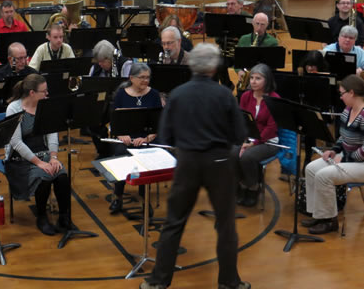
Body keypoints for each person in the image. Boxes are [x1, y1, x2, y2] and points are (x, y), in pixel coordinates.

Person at [140, 43, 249, 289]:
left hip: (187, 161)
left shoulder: (178, 94)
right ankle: (230, 282)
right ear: (214, 67)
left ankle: (158, 282)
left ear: (191, 65)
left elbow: (165, 135)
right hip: (220, 163)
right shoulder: (223, 95)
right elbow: (239, 133)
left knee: (174, 222)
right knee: (225, 225)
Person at [5, 74, 72, 235]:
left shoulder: (45, 105)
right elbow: (16, 142)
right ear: (32, 93)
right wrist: (39, 163)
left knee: (61, 176)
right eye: (44, 91)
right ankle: (41, 217)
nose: (47, 94)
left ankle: (64, 217)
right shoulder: (14, 108)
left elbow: (52, 133)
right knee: (44, 177)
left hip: (43, 152)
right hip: (20, 158)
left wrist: (54, 157)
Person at [303, 74, 364, 235]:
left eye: (342, 93)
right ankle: (318, 214)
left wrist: (345, 159)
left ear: (351, 93)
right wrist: (334, 151)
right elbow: (342, 137)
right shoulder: (347, 110)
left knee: (324, 176)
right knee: (310, 168)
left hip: (360, 164)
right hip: (347, 158)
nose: (341, 97)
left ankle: (330, 220)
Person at [108, 63, 162, 214]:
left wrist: (146, 138)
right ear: (132, 78)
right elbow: (114, 122)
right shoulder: (121, 95)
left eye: (148, 78)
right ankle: (117, 197)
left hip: (146, 138)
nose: (146, 81)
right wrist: (121, 135)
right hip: (125, 138)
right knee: (120, 156)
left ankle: (145, 200)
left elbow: (158, 125)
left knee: (145, 157)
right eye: (142, 78)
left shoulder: (154, 94)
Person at [233, 64, 280, 207]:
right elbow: (242, 121)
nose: (253, 81)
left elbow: (271, 128)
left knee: (248, 156)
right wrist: (243, 142)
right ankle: (241, 185)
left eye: (258, 78)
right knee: (233, 153)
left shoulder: (275, 99)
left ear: (267, 80)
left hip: (268, 141)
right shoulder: (246, 96)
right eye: (252, 78)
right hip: (248, 139)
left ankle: (253, 187)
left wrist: (253, 144)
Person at [215, 0, 251, 89]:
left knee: (246, 66)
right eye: (228, 4)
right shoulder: (224, 19)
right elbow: (217, 40)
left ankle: (243, 87)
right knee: (217, 64)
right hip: (226, 51)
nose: (229, 7)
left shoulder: (248, 19)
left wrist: (241, 38)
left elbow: (252, 37)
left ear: (241, 5)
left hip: (242, 53)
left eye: (233, 4)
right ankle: (227, 86)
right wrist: (226, 35)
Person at [236, 12, 279, 82]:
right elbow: (237, 60)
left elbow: (273, 66)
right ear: (252, 23)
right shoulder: (243, 39)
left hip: (264, 78)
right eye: (257, 23)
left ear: (267, 25)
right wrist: (239, 71)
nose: (259, 27)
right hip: (246, 77)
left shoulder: (273, 42)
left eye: (262, 24)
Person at [0, 0, 28, 65]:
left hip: (19, 62)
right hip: (0, 62)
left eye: (11, 11)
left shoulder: (21, 26)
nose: (9, 14)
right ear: (1, 13)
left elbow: (27, 46)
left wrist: (27, 61)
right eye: (6, 12)